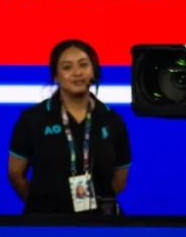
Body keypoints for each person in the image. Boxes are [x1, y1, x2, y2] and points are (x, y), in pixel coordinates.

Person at [8, 40, 131, 215]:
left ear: (93, 70)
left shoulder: (112, 120)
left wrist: (89, 210)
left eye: (84, 65)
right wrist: (41, 208)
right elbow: (15, 174)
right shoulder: (32, 118)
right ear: (56, 76)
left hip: (100, 227)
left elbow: (119, 180)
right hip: (45, 226)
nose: (77, 73)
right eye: (67, 67)